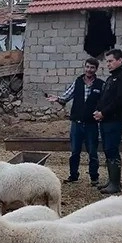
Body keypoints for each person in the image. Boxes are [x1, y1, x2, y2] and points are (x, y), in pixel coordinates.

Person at [47, 57, 104, 186]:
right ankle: (73, 176)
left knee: (93, 152)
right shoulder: (78, 82)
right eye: (87, 67)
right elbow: (66, 96)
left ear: (96, 69)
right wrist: (57, 98)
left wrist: (101, 112)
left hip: (91, 124)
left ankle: (94, 178)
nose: (89, 70)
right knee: (75, 152)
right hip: (76, 124)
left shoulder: (100, 85)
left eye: (92, 68)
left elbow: (105, 102)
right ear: (84, 67)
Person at [93, 49, 122, 194]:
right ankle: (112, 181)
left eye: (111, 61)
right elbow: (105, 98)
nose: (108, 64)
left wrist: (103, 112)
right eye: (107, 62)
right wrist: (98, 111)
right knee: (107, 149)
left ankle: (115, 184)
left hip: (115, 120)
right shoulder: (112, 78)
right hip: (106, 120)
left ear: (120, 60)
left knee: (112, 149)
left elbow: (120, 101)